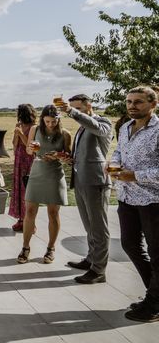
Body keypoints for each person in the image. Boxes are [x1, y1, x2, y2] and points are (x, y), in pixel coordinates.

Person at [108, 86, 159, 323]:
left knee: (157, 253)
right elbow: (119, 152)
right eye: (129, 101)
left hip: (152, 200)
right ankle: (155, 297)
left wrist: (135, 175)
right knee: (130, 244)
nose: (131, 106)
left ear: (153, 104)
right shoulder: (126, 127)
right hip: (127, 197)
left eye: (138, 102)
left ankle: (153, 305)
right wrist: (113, 165)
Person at [57, 94, 113, 284]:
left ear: (89, 106)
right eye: (73, 109)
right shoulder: (82, 127)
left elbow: (96, 128)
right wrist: (70, 159)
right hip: (81, 179)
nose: (74, 113)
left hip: (96, 180)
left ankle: (99, 270)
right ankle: (91, 259)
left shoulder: (103, 122)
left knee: (99, 227)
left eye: (78, 109)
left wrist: (70, 111)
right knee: (89, 225)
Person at [17, 105, 72, 265]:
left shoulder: (65, 134)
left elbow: (69, 158)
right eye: (47, 121)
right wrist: (30, 148)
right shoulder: (35, 129)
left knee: (53, 213)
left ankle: (50, 248)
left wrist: (59, 156)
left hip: (55, 174)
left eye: (53, 121)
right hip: (37, 172)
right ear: (42, 119)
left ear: (59, 119)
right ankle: (25, 247)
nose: (50, 124)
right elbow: (29, 151)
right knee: (30, 211)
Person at [9, 104, 37, 232]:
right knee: (18, 188)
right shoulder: (18, 126)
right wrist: (16, 135)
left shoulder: (34, 127)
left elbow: (30, 146)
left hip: (29, 158)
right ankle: (20, 219)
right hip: (19, 158)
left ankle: (30, 222)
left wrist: (20, 134)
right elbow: (15, 144)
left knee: (27, 189)